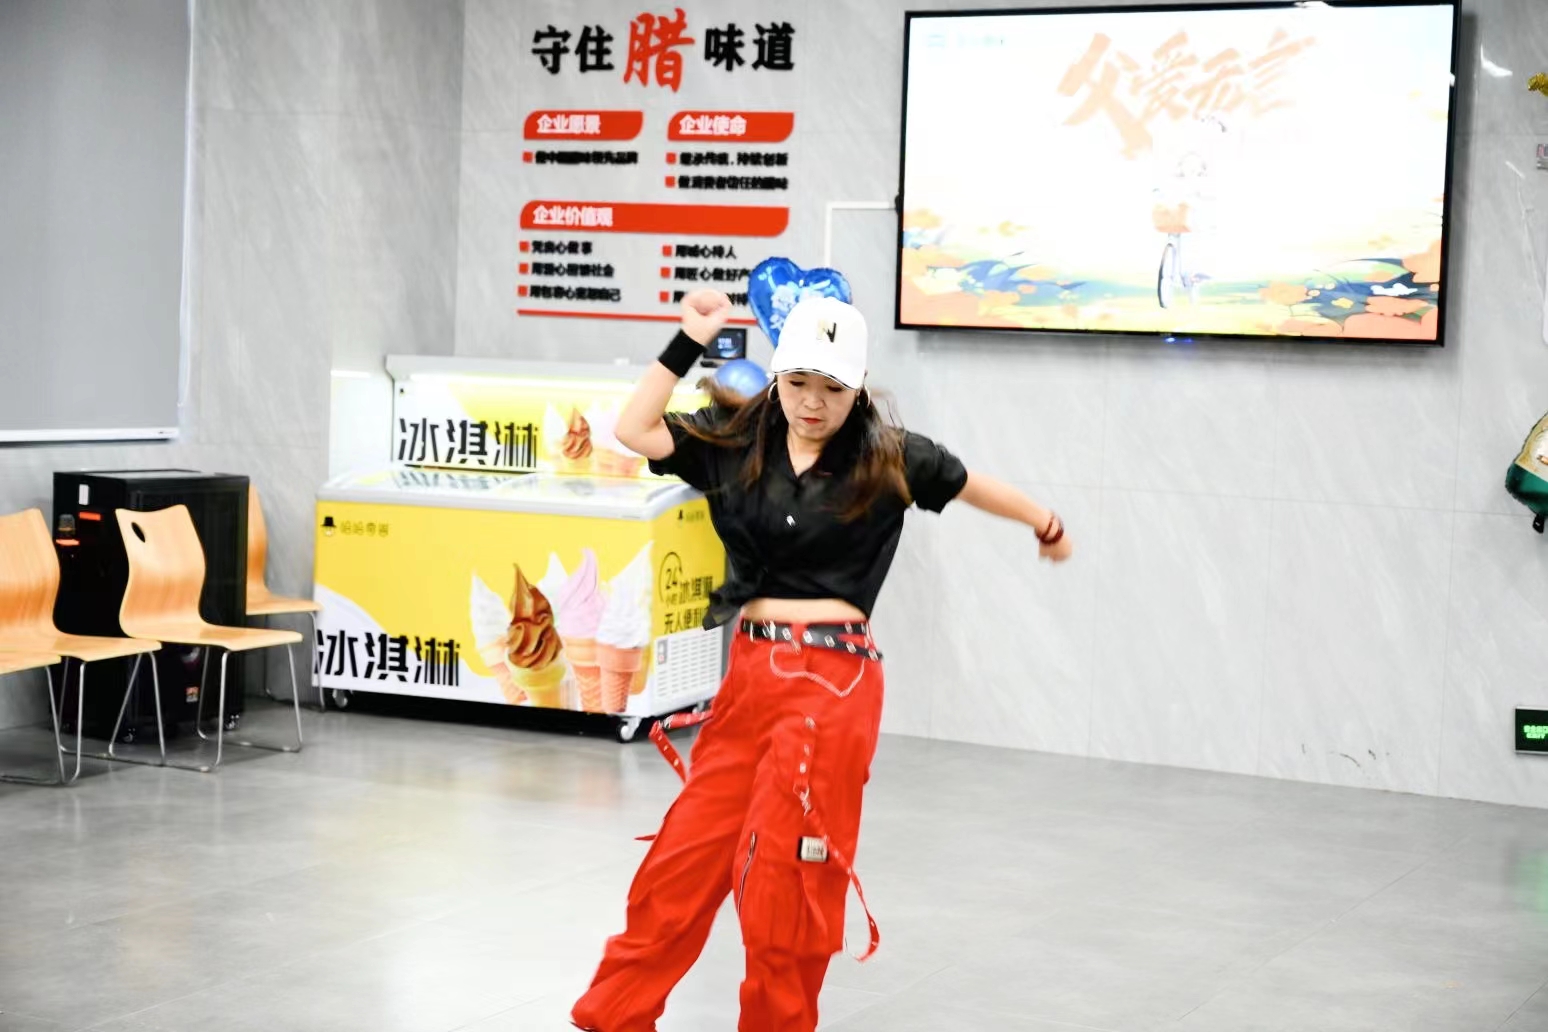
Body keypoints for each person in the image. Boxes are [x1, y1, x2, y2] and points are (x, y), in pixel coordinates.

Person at [571, 288, 1073, 1032]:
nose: (812, 402)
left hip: (832, 687)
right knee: (686, 854)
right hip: (749, 679)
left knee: (789, 878)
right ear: (779, 377)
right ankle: (613, 1014)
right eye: (799, 381)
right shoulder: (737, 443)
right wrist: (688, 339)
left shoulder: (892, 457)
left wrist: (1046, 523)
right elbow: (633, 428)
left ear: (858, 388)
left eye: (832, 388)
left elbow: (973, 486)